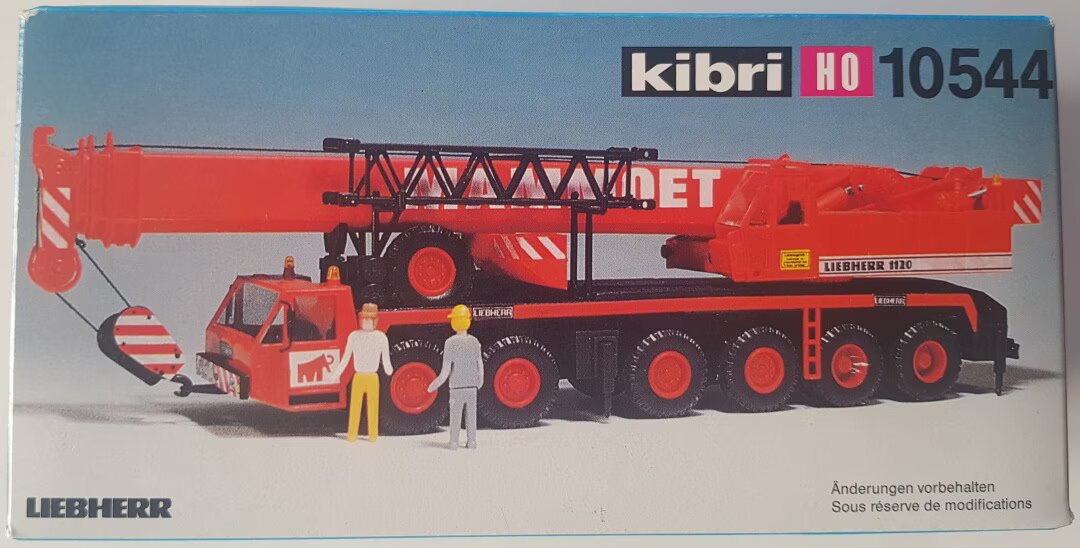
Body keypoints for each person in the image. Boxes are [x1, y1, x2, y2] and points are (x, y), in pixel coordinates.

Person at [427, 304, 483, 449]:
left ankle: (454, 442)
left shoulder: (450, 343)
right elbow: (479, 364)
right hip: (472, 387)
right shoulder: (475, 341)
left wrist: (433, 386)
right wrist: (479, 382)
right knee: (472, 416)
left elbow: (445, 370)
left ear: (455, 322)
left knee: (455, 416)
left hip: (456, 387)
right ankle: (472, 442)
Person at [343, 303, 393, 442]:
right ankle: (352, 434)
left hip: (372, 377)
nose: (366, 322)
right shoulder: (354, 336)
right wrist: (337, 372)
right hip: (358, 376)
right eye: (364, 319)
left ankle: (373, 435)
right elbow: (346, 357)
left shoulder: (381, 337)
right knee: (355, 407)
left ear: (375, 321)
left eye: (369, 319)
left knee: (373, 407)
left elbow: (386, 358)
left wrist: (388, 368)